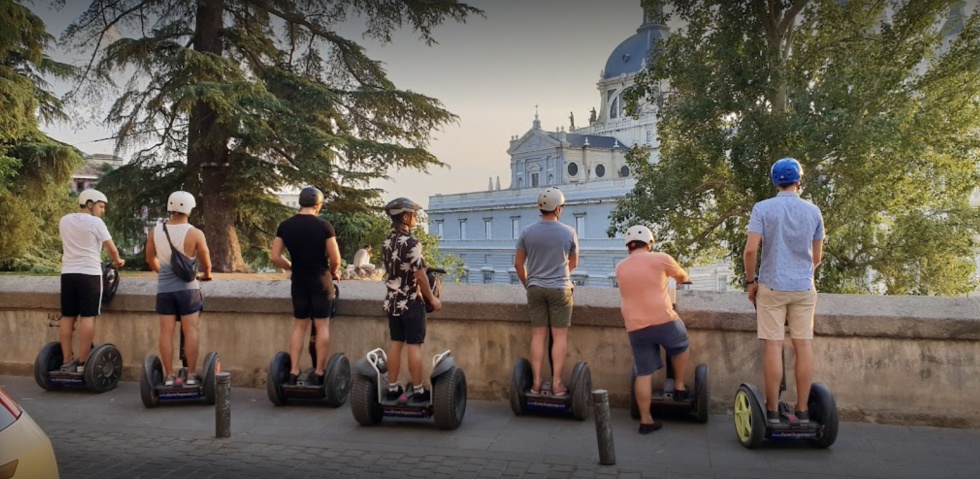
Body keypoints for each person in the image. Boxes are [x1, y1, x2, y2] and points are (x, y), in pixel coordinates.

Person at [744, 157, 825, 424]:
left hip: (772, 286)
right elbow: (817, 257)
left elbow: (750, 250)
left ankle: (772, 411)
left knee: (773, 347)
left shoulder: (763, 208)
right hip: (802, 287)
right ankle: (802, 411)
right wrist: (802, 272)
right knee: (803, 347)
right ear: (799, 180)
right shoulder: (813, 211)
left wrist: (750, 282)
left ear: (774, 181)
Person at [615, 225, 691, 434]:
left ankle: (646, 421)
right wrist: (683, 278)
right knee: (681, 345)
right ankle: (679, 387)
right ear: (650, 244)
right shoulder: (661, 258)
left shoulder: (620, 267)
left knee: (644, 372)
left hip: (635, 325)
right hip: (663, 319)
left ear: (628, 247)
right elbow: (682, 276)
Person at [271, 186, 342, 386]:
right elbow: (335, 259)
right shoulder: (324, 226)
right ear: (317, 205)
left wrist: (290, 266)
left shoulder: (285, 226)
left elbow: (275, 257)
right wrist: (335, 271)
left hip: (299, 280)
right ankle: (319, 371)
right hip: (320, 279)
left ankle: (293, 371)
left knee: (300, 325)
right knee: (322, 325)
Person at [514, 187, 578, 397]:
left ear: (539, 207)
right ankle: (557, 384)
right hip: (560, 289)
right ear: (558, 208)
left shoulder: (527, 232)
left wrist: (528, 282)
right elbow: (573, 263)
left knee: (538, 336)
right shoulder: (568, 232)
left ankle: (536, 384)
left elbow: (518, 264)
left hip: (535, 288)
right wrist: (559, 273)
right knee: (559, 337)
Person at [145, 191, 212, 386]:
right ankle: (191, 375)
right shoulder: (195, 233)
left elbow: (150, 259)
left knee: (165, 332)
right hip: (188, 290)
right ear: (189, 208)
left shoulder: (155, 231)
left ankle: (168, 376)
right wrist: (206, 275)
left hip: (164, 290)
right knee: (190, 330)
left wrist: (163, 275)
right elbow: (206, 262)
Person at [381, 197, 441, 403]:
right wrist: (432, 299)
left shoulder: (387, 241)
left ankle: (392, 387)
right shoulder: (413, 242)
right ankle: (418, 390)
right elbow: (420, 276)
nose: (416, 217)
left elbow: (398, 266)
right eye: (414, 214)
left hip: (392, 301)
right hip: (411, 302)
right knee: (414, 345)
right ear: (405, 217)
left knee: (396, 343)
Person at [58, 189, 126, 373]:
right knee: (87, 316)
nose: (103, 210)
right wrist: (118, 261)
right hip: (89, 274)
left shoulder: (64, 220)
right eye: (101, 206)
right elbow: (111, 248)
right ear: (90, 204)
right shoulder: (96, 222)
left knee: (68, 316)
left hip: (68, 274)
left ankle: (66, 360)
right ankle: (83, 361)